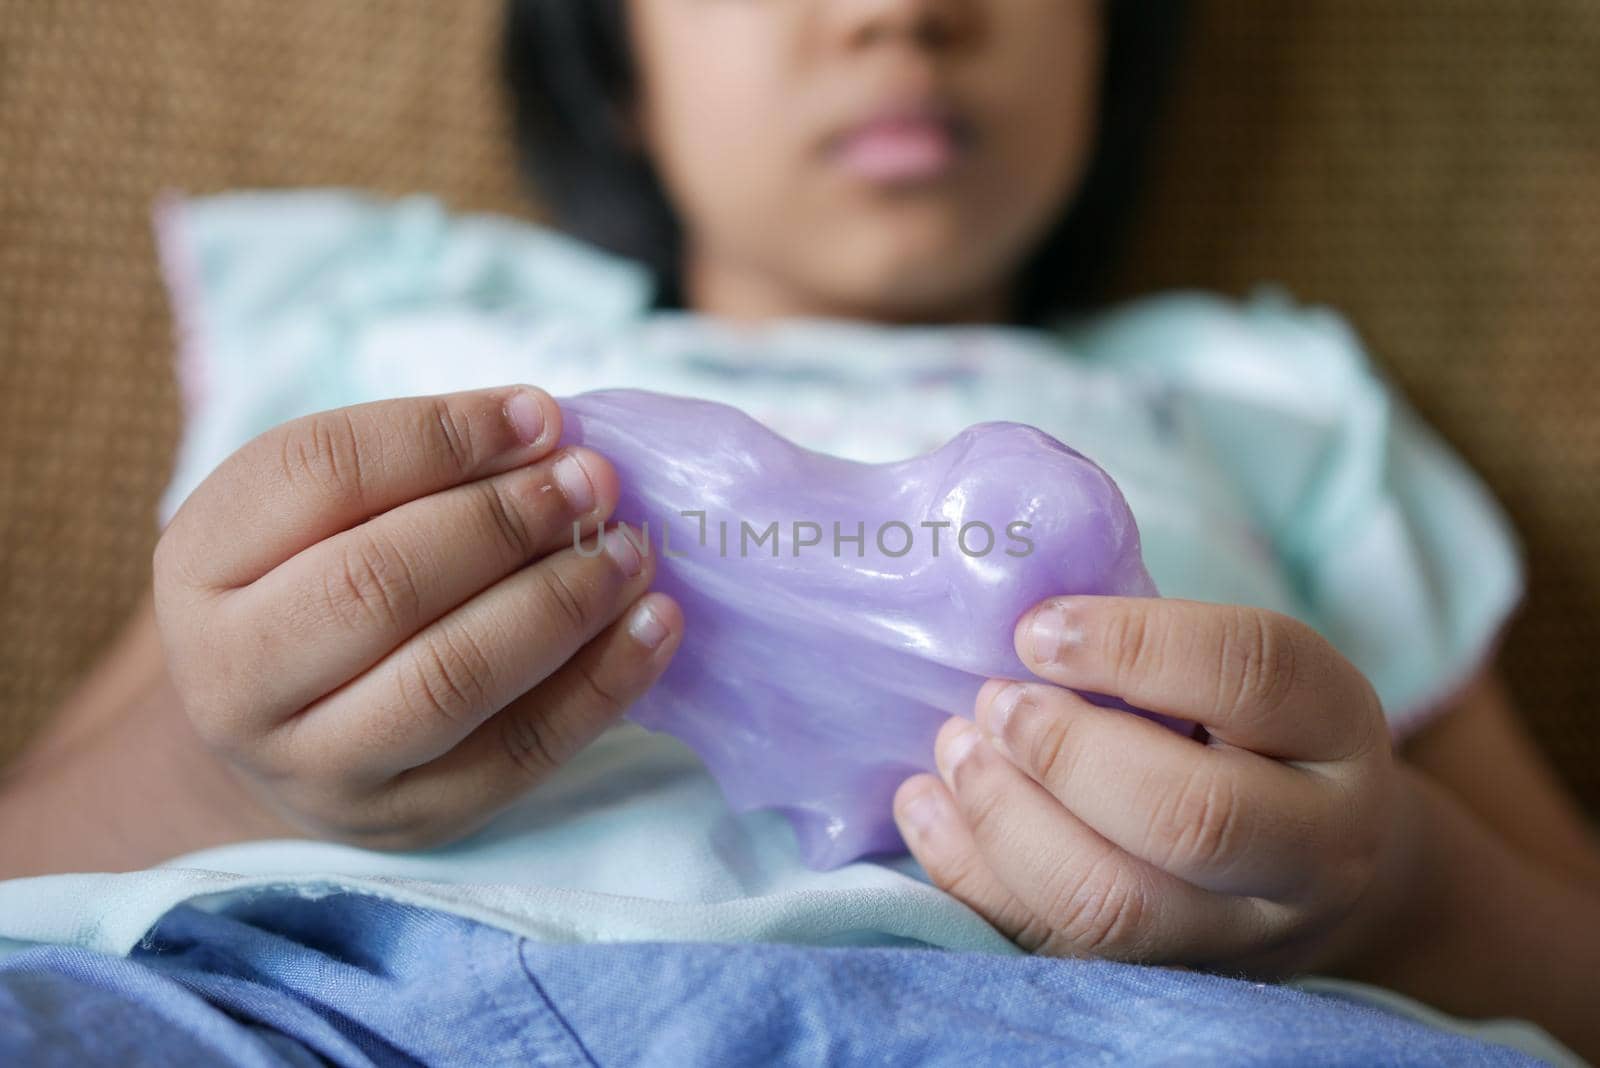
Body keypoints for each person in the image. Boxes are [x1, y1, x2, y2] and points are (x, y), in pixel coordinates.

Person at [1, 1, 1597, 1063]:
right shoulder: (399, 343)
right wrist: (224, 765)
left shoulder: (1261, 404)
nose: (898, 10)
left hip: (1123, 1027)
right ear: (614, 55)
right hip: (346, 1002)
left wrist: (1379, 892)